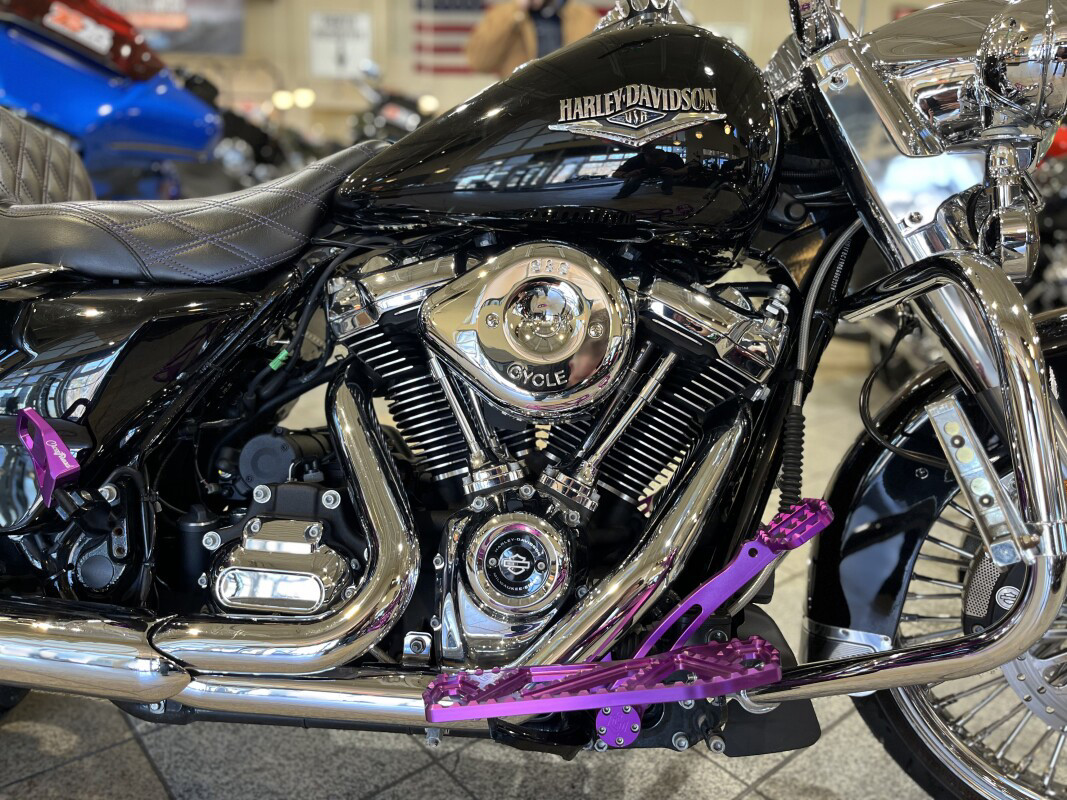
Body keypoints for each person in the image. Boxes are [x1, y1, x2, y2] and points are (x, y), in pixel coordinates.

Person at [467, 0, 601, 79]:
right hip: (520, 104)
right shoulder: (503, 14)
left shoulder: (583, 16)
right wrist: (516, 12)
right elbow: (480, 62)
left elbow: (599, 63)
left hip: (569, 102)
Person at [613, 144, 688, 199]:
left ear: (666, 157)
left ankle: (667, 189)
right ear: (645, 157)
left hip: (665, 172)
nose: (655, 165)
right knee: (636, 179)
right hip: (644, 172)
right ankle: (623, 194)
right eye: (652, 163)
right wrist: (627, 174)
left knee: (668, 175)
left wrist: (674, 172)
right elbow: (615, 174)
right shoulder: (637, 160)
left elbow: (686, 170)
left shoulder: (673, 157)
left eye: (659, 162)